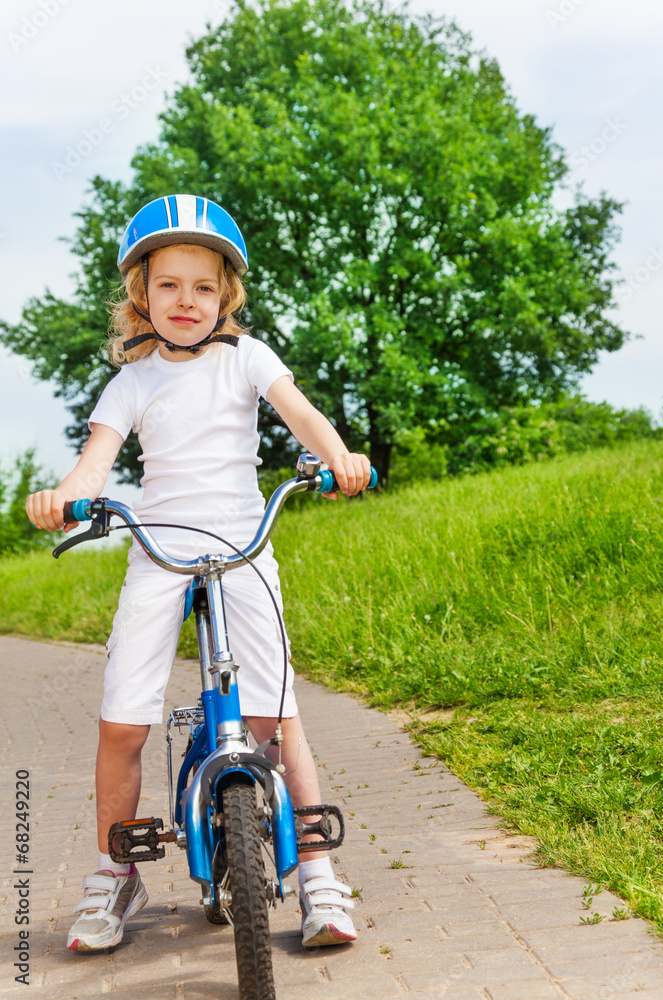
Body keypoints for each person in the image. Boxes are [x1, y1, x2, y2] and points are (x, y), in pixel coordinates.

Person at [26, 193, 371, 953]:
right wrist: (69, 496)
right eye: (170, 285)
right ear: (140, 296)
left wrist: (339, 454)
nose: (187, 301)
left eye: (204, 286)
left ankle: (317, 876)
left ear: (227, 296)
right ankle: (114, 875)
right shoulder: (132, 382)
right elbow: (96, 462)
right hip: (159, 547)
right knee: (122, 721)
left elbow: (303, 416)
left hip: (244, 541)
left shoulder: (248, 358)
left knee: (276, 718)